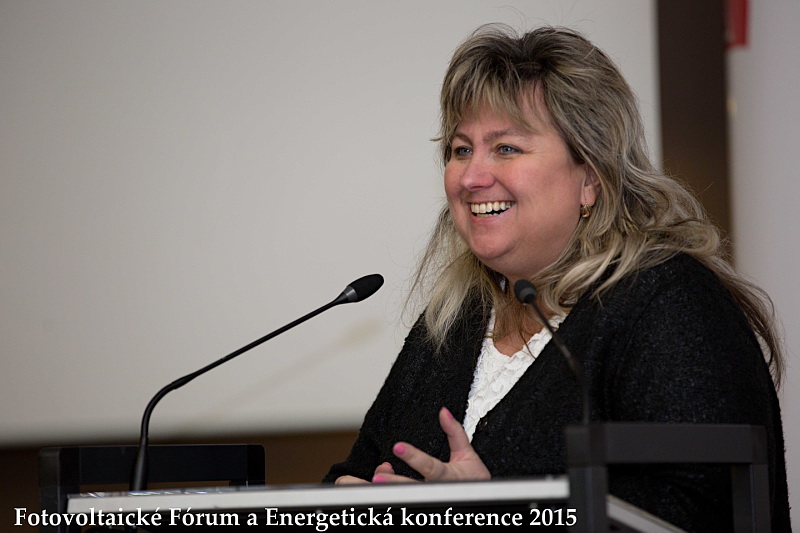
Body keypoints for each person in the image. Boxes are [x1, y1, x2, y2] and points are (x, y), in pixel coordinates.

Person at [323, 24, 791, 532]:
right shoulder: (454, 322)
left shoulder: (668, 305)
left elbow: (701, 514)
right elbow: (360, 476)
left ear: (589, 176)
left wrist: (494, 516)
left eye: (506, 148)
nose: (472, 177)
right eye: (461, 150)